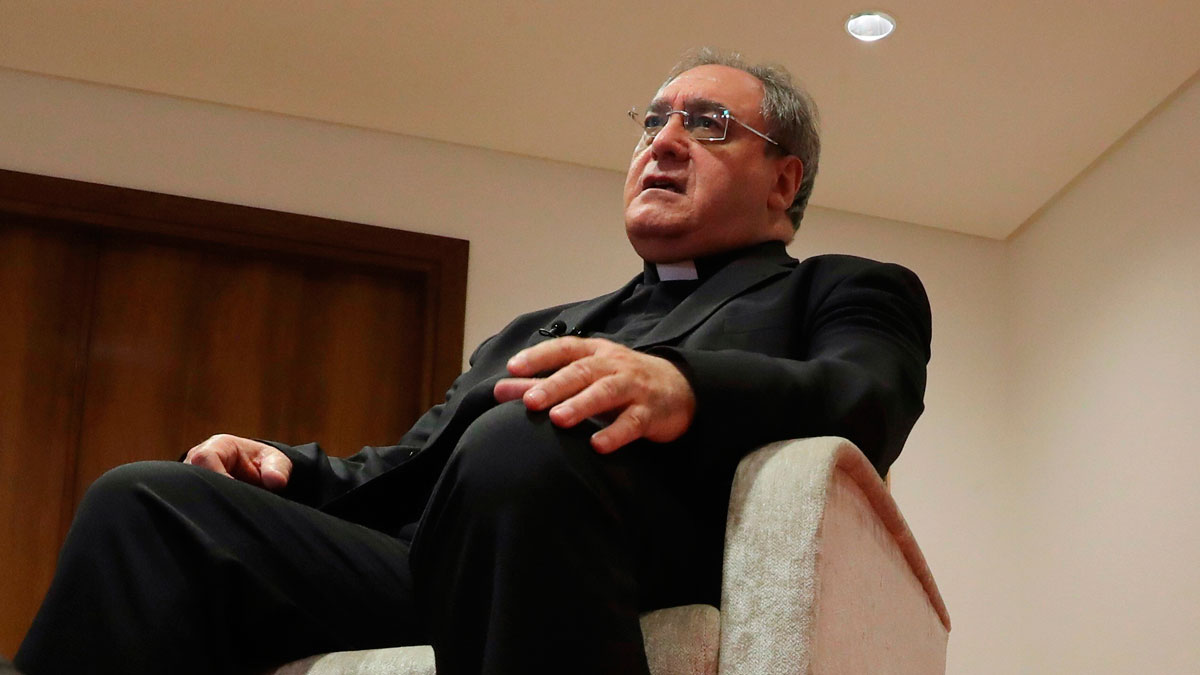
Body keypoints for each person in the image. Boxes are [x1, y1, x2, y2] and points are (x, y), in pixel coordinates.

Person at [14, 48, 931, 675]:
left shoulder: (840, 288)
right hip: (435, 565)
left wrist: (685, 387)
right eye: (653, 122)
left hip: (606, 557)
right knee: (146, 499)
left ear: (783, 181)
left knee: (519, 441)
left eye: (708, 123)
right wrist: (286, 468)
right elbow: (409, 467)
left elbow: (866, 395)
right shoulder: (538, 326)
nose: (663, 141)